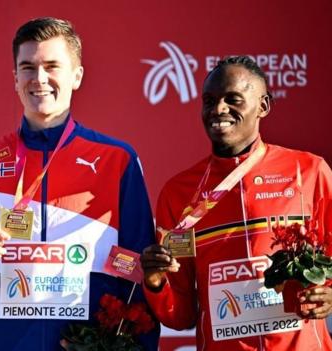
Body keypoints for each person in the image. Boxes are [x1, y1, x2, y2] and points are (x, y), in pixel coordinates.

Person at [0, 17, 158, 350]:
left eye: (52, 66)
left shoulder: (118, 160)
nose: (39, 79)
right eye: (27, 68)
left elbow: (140, 276)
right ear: (15, 79)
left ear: (77, 76)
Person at [141, 56, 332, 350]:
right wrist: (156, 283)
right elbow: (181, 316)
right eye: (209, 100)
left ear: (264, 106)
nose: (218, 109)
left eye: (234, 99)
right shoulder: (178, 193)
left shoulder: (308, 171)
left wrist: (329, 293)